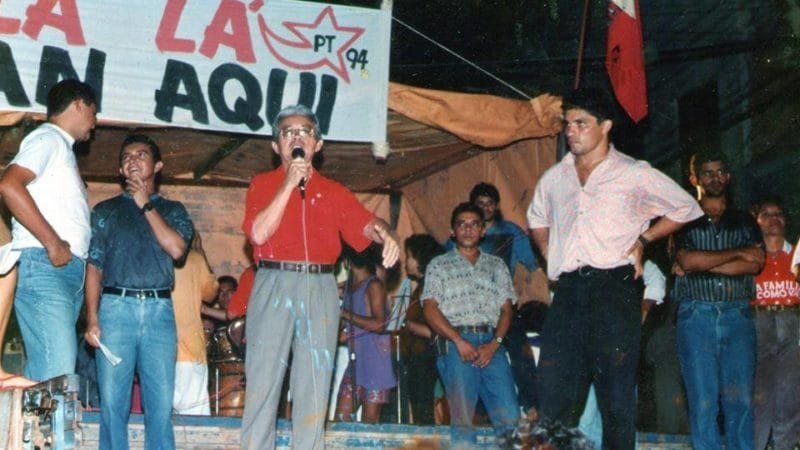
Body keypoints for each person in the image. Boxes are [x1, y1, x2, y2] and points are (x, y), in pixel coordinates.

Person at [527, 87, 702, 449]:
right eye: (567, 124)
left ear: (605, 126)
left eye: (581, 123)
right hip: (569, 292)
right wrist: (550, 255)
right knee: (554, 396)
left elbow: (685, 207)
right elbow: (537, 219)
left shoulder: (633, 173)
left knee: (617, 400)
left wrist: (644, 240)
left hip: (614, 290)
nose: (570, 131)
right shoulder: (554, 178)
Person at [240, 104, 399, 450]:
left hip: (320, 286)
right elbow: (258, 233)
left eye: (305, 131)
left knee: (314, 388)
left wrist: (387, 234)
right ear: (276, 145)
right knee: (263, 385)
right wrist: (288, 184)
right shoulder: (261, 184)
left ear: (318, 143)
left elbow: (367, 224)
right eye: (288, 132)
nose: (297, 137)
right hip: (274, 283)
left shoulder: (335, 191)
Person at [84, 134, 194, 449]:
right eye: (127, 156)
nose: (132, 159)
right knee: (113, 405)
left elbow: (176, 249)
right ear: (120, 169)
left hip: (159, 311)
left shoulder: (174, 210)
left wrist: (145, 204)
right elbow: (94, 266)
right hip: (115, 308)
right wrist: (92, 317)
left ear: (157, 165)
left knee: (159, 407)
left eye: (141, 154)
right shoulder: (105, 211)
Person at [0, 79, 96, 382]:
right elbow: (9, 185)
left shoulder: (59, 147)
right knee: (59, 373)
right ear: (80, 104)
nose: (95, 123)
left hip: (63, 273)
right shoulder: (48, 139)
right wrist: (52, 243)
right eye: (94, 112)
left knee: (48, 374)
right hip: (46, 267)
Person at [673, 152, 763, 450]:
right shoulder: (682, 218)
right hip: (696, 317)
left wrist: (703, 263)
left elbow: (755, 263)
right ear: (694, 179)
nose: (715, 178)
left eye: (720, 171)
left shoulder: (745, 220)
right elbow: (686, 259)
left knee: (741, 402)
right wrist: (737, 253)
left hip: (738, 316)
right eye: (707, 172)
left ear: (728, 176)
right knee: (703, 402)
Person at [422, 202, 519, 445]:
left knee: (511, 419)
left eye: (474, 224)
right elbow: (429, 308)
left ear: (483, 230)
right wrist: (458, 340)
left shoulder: (496, 265)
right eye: (461, 224)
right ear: (452, 231)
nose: (468, 229)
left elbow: (507, 309)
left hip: (492, 346)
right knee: (463, 421)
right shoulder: (439, 265)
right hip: (457, 348)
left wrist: (495, 344)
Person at [446, 182, 541, 417]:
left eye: (490, 204)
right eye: (481, 204)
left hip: (501, 306)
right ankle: (477, 413)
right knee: (469, 360)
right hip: (467, 310)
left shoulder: (511, 232)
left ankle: (531, 406)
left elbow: (533, 261)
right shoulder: (458, 237)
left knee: (520, 350)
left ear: (497, 207)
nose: (486, 209)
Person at [750, 196, 800, 450]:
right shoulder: (750, 257)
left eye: (779, 213)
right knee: (759, 396)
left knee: (790, 396)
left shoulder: (797, 255)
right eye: (766, 214)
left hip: (791, 321)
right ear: (757, 220)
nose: (774, 219)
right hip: (759, 323)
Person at [336, 244, 396, 423]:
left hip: (376, 363)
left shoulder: (373, 285)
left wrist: (344, 313)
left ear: (346, 262)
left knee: (369, 424)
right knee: (342, 420)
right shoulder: (349, 288)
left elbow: (379, 324)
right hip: (357, 362)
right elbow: (354, 329)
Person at [390, 234, 443, 425]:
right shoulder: (420, 286)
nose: (406, 261)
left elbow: (433, 332)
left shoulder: (429, 287)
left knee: (423, 415)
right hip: (417, 359)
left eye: (409, 256)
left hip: (425, 360)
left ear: (421, 257)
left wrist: (404, 323)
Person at [172, 233, 218, 415]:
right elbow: (210, 293)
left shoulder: (152, 255)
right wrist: (201, 253)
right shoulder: (195, 259)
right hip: (189, 351)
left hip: (156, 351)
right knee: (194, 416)